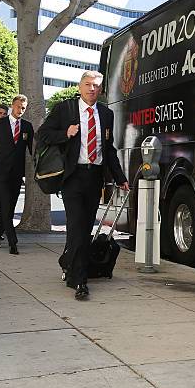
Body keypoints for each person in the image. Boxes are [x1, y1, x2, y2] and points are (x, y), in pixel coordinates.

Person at [37, 71, 129, 300]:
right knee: (77, 226)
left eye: (96, 86)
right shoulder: (65, 109)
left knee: (84, 228)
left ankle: (68, 263)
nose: (92, 89)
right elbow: (43, 134)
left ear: (101, 89)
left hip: (94, 177)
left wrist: (120, 178)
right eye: (87, 85)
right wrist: (65, 133)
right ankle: (80, 280)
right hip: (72, 177)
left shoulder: (106, 114)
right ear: (80, 87)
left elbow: (109, 149)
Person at [0, 96, 33, 254]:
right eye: (18, 107)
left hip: (16, 174)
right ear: (12, 106)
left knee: (8, 208)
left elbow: (33, 150)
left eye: (23, 108)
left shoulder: (27, 127)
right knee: (4, 204)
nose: (20, 110)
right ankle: (13, 242)